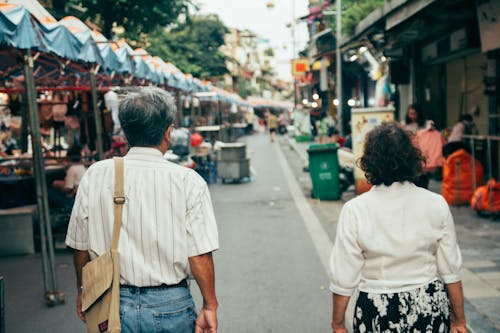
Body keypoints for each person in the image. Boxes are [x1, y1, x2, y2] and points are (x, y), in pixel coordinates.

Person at [65, 87, 219, 333]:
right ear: (168, 132)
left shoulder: (95, 174)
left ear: (125, 132)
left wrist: (84, 290)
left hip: (109, 302)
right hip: (171, 306)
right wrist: (210, 304)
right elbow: (199, 255)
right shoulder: (187, 181)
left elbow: (80, 247)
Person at [329, 122, 466, 333]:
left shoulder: (355, 210)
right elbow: (450, 270)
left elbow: (344, 276)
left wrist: (338, 324)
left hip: (377, 309)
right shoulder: (435, 203)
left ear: (369, 161)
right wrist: (459, 321)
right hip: (428, 306)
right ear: (412, 158)